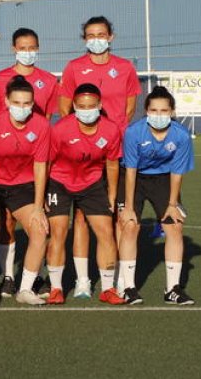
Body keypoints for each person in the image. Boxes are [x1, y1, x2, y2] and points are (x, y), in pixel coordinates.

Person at [58, 17, 140, 299]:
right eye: (91, 35)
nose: (96, 39)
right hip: (84, 155)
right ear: (84, 39)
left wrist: (109, 134)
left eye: (101, 34)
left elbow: (129, 108)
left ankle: (115, 278)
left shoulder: (125, 67)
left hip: (115, 151)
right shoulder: (74, 68)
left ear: (111, 37)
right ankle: (82, 280)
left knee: (116, 215)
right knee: (80, 218)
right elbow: (65, 106)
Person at [0, 26, 58, 296]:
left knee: (39, 222)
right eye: (22, 47)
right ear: (13, 48)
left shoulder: (49, 81)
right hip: (2, 165)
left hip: (30, 167)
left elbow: (45, 123)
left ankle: (35, 276)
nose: (28, 52)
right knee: (4, 223)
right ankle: (8, 277)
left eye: (32, 47)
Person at [45, 83, 125, 306]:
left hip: (92, 184)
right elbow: (47, 163)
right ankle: (56, 288)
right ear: (74, 106)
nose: (86, 110)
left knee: (105, 232)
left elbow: (111, 165)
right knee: (58, 232)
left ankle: (108, 288)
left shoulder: (110, 129)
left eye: (91, 106)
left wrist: (111, 193)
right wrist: (42, 194)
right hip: (59, 182)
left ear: (99, 105)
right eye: (81, 106)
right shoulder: (60, 129)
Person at [0, 77, 49, 306]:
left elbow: (40, 168)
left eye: (27, 103)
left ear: (33, 103)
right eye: (17, 102)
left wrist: (37, 207)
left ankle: (25, 289)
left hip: (21, 185)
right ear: (6, 101)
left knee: (39, 229)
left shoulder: (42, 126)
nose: (22, 108)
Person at [117, 86, 195, 305]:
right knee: (130, 225)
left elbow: (177, 173)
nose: (158, 115)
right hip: (135, 178)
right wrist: (129, 207)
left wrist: (172, 204)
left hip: (163, 179)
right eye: (154, 110)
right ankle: (128, 287)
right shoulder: (134, 132)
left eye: (163, 110)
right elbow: (130, 171)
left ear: (172, 111)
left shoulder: (181, 135)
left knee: (174, 226)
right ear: (146, 110)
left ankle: (172, 290)